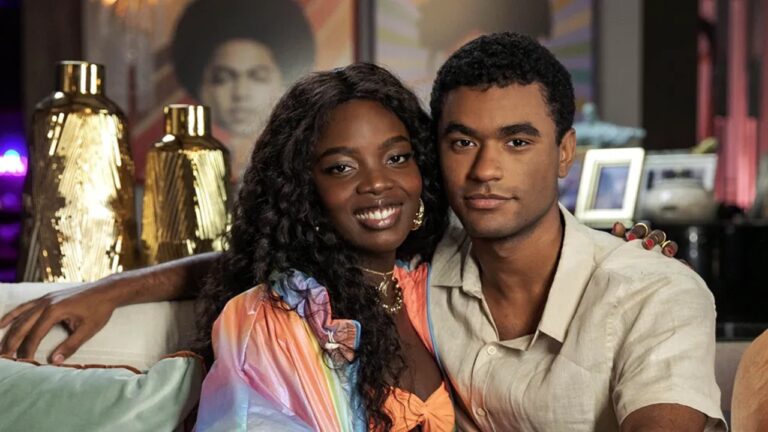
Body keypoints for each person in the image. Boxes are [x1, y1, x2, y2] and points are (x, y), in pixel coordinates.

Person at [1, 35, 692, 431]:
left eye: (397, 157)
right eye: (340, 166)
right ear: (305, 188)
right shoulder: (268, 319)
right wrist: (111, 290)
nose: (378, 185)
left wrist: (613, 259)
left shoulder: (434, 281)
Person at [426, 32, 724, 430]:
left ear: (564, 152)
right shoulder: (415, 279)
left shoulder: (654, 291)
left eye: (516, 141)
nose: (484, 170)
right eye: (463, 142)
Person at [171, 0, 315, 180]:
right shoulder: (182, 166)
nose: (240, 93)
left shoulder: (302, 163)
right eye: (223, 78)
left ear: (283, 84)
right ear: (201, 88)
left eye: (257, 77)